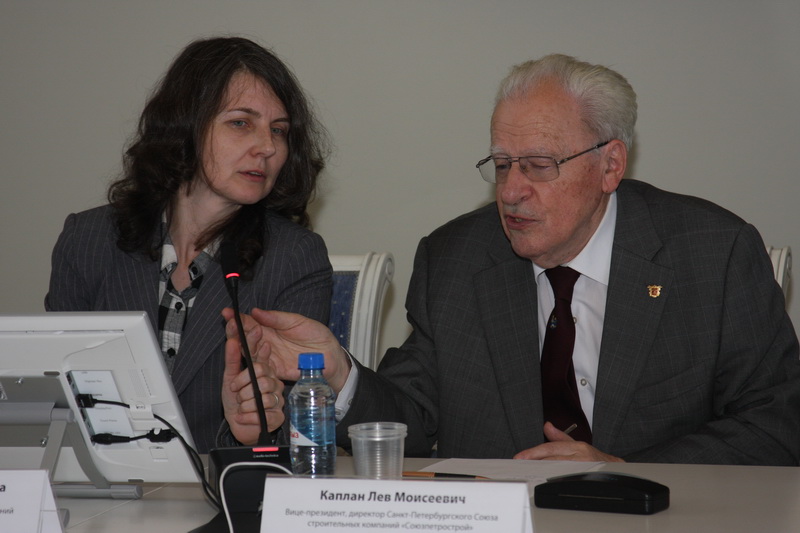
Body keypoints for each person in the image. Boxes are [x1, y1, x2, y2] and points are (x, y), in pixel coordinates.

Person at [223, 54, 800, 465]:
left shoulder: (712, 254)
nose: (512, 191)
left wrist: (627, 472)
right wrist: (339, 371)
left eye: (539, 166)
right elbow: (414, 421)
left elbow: (778, 423)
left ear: (610, 166)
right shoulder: (455, 259)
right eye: (502, 165)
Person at [45, 36, 332, 453]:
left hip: (222, 484)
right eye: (241, 123)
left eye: (279, 130)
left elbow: (301, 429)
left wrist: (249, 432)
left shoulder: (294, 258)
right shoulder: (88, 240)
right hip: (107, 481)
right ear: (185, 126)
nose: (268, 147)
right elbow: (58, 398)